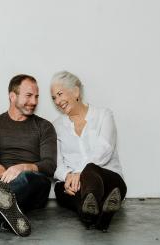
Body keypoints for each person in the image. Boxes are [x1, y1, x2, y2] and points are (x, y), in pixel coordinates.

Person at [0, 74, 56, 237]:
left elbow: (49, 165)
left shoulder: (44, 126)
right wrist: (6, 175)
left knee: (25, 177)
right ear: (12, 96)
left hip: (35, 185)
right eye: (29, 95)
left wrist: (22, 168)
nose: (34, 101)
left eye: (36, 96)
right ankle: (5, 212)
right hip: (1, 180)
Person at [50, 71, 126, 232]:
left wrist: (80, 173)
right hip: (73, 184)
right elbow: (57, 164)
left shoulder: (104, 115)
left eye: (59, 94)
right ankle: (101, 216)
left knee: (90, 170)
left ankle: (88, 213)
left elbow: (105, 149)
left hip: (109, 180)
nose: (57, 101)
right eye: (54, 98)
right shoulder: (56, 126)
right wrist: (69, 177)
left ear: (76, 91)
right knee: (61, 189)